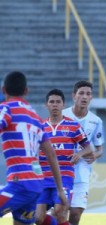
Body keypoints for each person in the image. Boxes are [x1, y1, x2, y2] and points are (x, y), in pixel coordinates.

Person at [0, 71, 68, 225]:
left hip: (20, 183)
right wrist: (60, 190)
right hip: (37, 184)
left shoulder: (6, 108)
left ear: (4, 90)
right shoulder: (36, 118)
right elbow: (51, 154)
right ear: (26, 91)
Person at [36, 89, 93, 225]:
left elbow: (89, 148)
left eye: (58, 102)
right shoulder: (40, 127)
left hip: (64, 177)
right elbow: (33, 154)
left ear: (63, 105)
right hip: (43, 178)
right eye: (52, 102)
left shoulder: (73, 126)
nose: (55, 105)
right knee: (38, 219)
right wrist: (35, 172)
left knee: (60, 212)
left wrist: (79, 154)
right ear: (46, 105)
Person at [62, 81, 104, 225]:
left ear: (91, 97)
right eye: (81, 93)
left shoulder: (96, 121)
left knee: (75, 214)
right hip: (61, 171)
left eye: (88, 94)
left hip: (82, 173)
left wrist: (94, 155)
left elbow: (99, 149)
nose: (84, 97)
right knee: (60, 211)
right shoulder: (62, 115)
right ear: (74, 96)